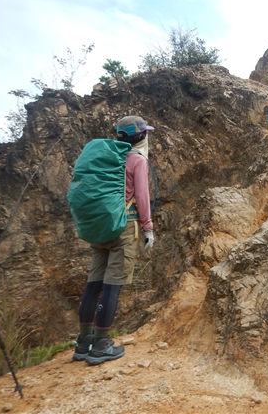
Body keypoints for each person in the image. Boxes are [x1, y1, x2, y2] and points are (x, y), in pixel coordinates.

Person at [73, 116, 155, 365]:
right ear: (139, 136)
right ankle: (101, 344)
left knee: (94, 284)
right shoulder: (137, 160)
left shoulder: (105, 158)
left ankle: (83, 342)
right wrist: (148, 228)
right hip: (124, 226)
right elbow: (142, 196)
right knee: (112, 285)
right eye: (144, 132)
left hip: (100, 227)